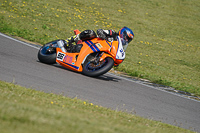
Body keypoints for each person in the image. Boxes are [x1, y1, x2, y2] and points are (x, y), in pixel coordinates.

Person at [64, 26, 134, 52]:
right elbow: (100, 30)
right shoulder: (112, 33)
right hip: (92, 42)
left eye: (129, 40)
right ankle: (68, 41)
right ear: (122, 33)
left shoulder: (119, 47)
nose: (127, 40)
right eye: (126, 38)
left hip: (97, 51)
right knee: (90, 33)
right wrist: (102, 35)